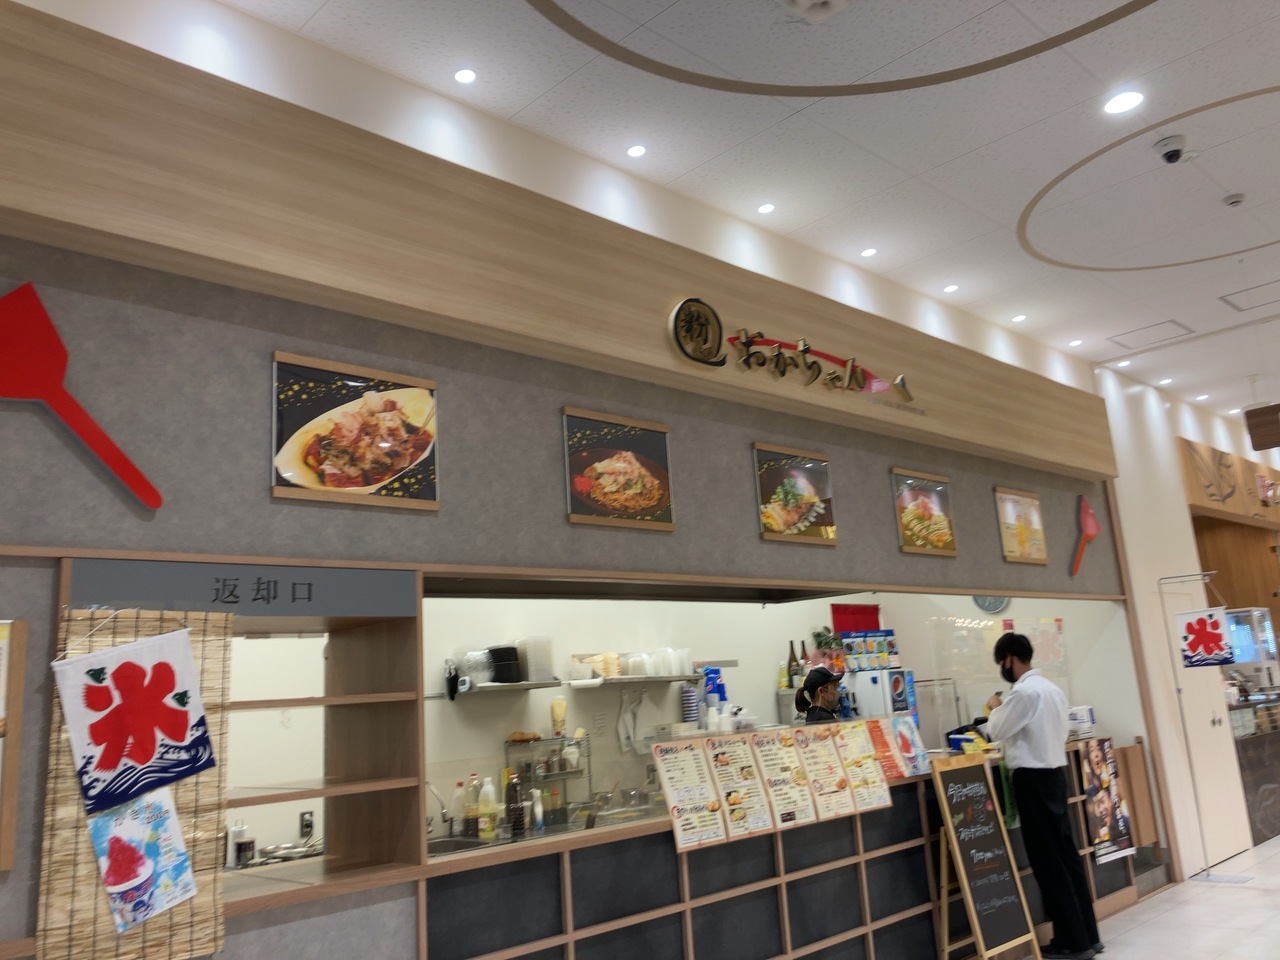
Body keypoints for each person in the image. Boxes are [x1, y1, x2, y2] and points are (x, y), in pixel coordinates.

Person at [985, 633, 1101, 960]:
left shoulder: (1024, 692)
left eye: (1001, 662)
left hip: (1032, 781)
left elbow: (996, 730)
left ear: (1009, 658)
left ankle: (1072, 943)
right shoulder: (1052, 689)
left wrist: (995, 707)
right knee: (1066, 856)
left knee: (1048, 862)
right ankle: (1088, 935)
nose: (1003, 668)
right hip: (1055, 776)